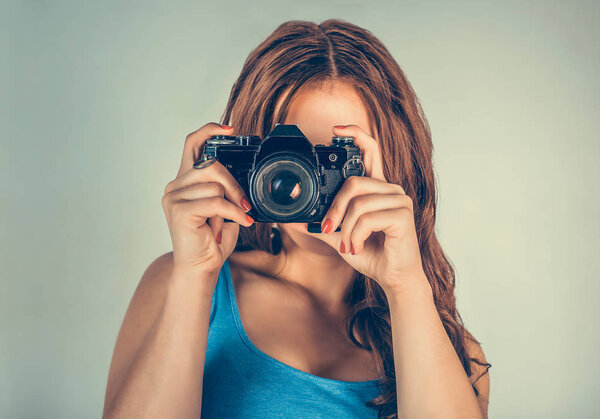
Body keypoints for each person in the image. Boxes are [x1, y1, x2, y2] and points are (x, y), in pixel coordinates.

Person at [102, 19, 491, 419]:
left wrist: (406, 286)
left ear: (393, 160)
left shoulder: (453, 351)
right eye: (292, 160)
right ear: (250, 163)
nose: (306, 184)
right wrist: (195, 276)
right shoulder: (179, 282)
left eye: (335, 157)